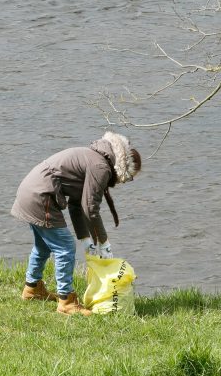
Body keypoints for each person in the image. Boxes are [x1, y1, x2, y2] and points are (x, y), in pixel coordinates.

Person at [10, 132, 141, 315]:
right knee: (65, 247)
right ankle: (66, 301)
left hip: (30, 192)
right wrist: (104, 243)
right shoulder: (101, 167)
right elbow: (90, 207)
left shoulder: (95, 157)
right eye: (129, 178)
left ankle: (32, 289)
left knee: (43, 245)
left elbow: (77, 205)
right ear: (124, 169)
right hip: (41, 197)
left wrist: (86, 240)